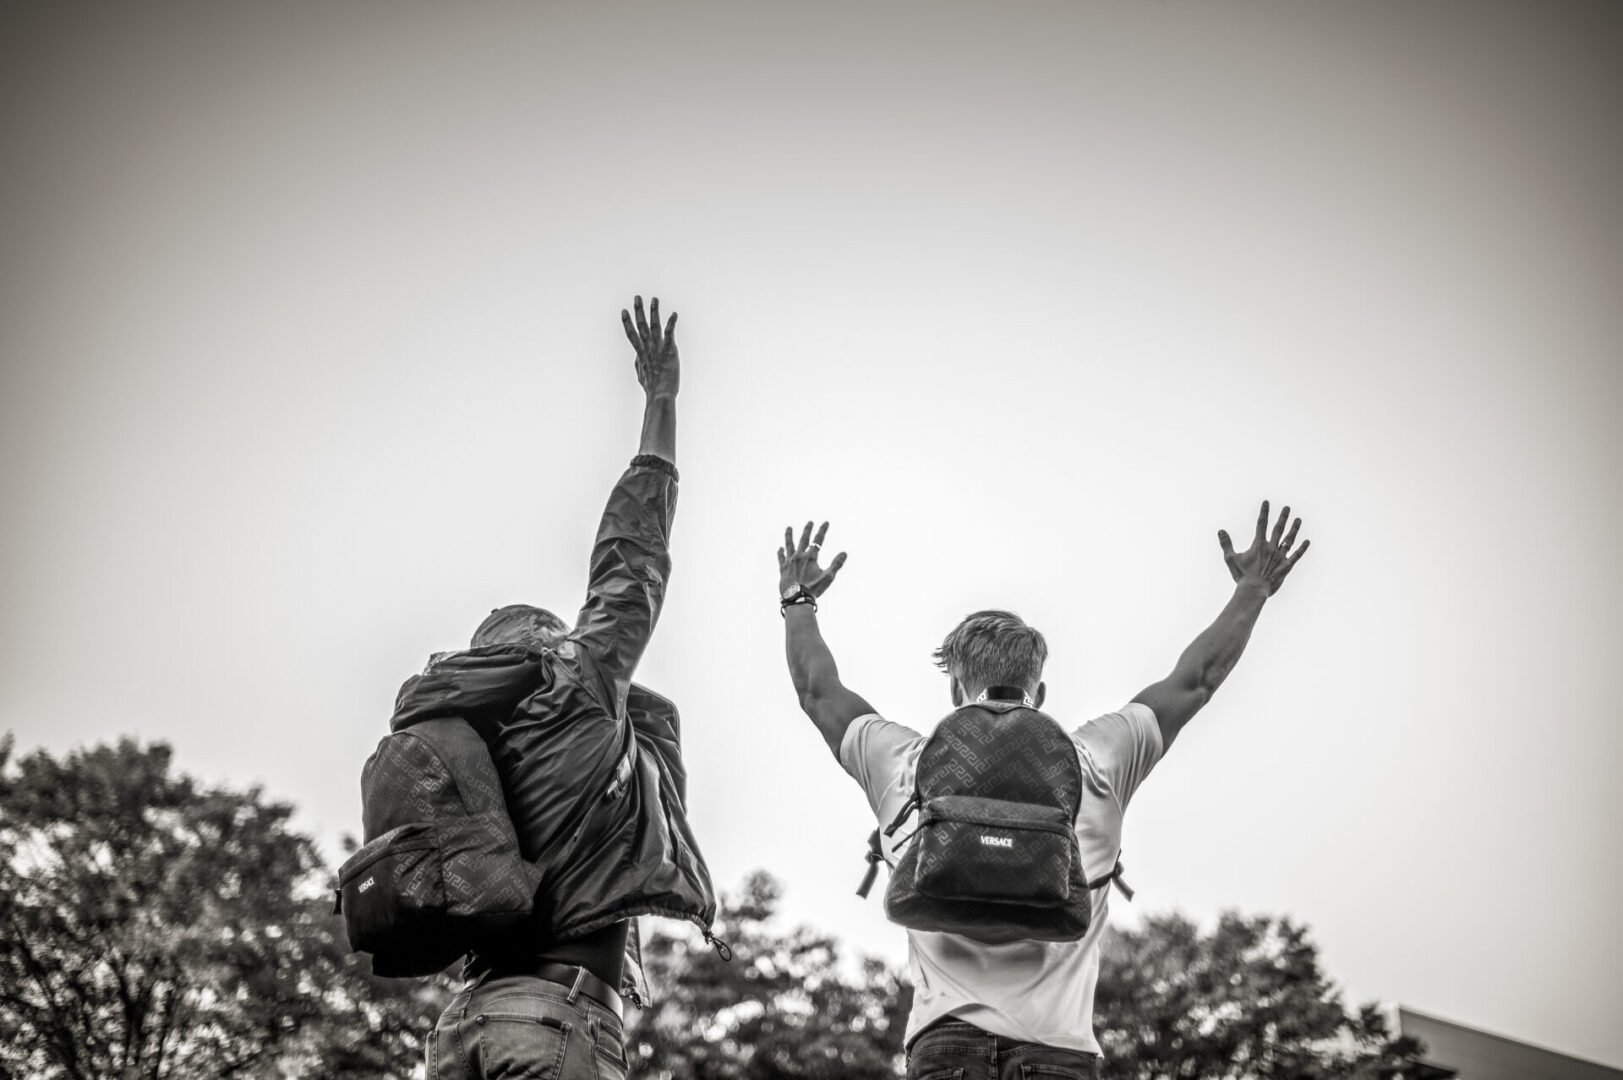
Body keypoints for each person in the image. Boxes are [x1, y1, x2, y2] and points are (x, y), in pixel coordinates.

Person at [777, 504, 1310, 1079]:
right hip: (1059, 1052)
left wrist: (798, 601)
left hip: (944, 1049)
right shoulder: (1101, 757)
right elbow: (1196, 680)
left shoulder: (901, 762)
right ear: (1042, 689)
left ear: (957, 686)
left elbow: (817, 691)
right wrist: (1253, 588)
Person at [414, 297, 716, 1080]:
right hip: (552, 1021)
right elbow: (631, 557)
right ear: (548, 647)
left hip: (463, 1028)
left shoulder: (466, 746)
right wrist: (660, 405)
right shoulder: (571, 689)